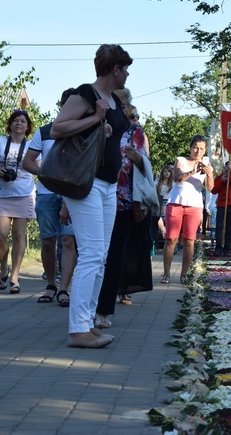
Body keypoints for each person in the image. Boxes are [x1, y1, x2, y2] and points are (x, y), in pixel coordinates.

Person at [51, 43, 133, 348]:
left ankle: (86, 323)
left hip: (109, 186)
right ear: (114, 69)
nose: (127, 74)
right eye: (125, 68)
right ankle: (77, 330)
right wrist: (95, 118)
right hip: (88, 183)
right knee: (92, 255)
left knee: (100, 258)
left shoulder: (112, 99)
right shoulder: (86, 94)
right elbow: (58, 128)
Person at [94, 96, 150, 329]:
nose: (126, 110)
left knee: (116, 254)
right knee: (94, 254)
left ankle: (103, 311)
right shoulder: (97, 125)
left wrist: (138, 159)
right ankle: (85, 305)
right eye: (121, 105)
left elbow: (146, 163)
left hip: (124, 201)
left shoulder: (136, 132)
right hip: (95, 197)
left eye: (128, 106)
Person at [22, 88, 78, 307]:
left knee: (68, 241)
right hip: (46, 193)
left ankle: (64, 289)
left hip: (72, 194)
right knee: (48, 241)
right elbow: (27, 161)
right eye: (67, 103)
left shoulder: (82, 132)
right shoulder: (45, 131)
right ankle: (51, 284)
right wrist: (45, 174)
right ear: (61, 105)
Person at [0, 109, 36, 295]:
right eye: (15, 120)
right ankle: (4, 266)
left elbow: (38, 168)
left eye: (22, 121)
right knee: (0, 236)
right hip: (2, 194)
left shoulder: (32, 146)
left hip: (24, 194)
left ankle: (14, 276)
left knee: (19, 236)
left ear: (28, 126)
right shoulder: (0, 141)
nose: (19, 123)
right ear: (10, 124)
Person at [161, 135, 213, 284]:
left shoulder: (207, 164)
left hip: (194, 206)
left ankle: (183, 274)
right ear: (190, 148)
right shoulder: (181, 161)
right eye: (196, 147)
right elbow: (177, 178)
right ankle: (166, 273)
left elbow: (210, 187)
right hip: (176, 203)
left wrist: (209, 174)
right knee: (171, 239)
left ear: (205, 150)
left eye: (201, 148)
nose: (198, 151)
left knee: (189, 241)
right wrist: (192, 171)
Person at [211, 161, 231, 256]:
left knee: (229, 227)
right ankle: (218, 246)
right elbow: (214, 190)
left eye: (229, 167)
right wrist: (222, 180)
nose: (227, 169)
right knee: (219, 227)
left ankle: (227, 247)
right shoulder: (220, 177)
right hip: (221, 205)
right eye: (226, 167)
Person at [153, 164, 174, 250]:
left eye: (169, 171)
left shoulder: (172, 183)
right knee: (158, 218)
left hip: (168, 202)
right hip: (159, 201)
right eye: (165, 171)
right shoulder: (157, 182)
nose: (167, 173)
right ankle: (163, 231)